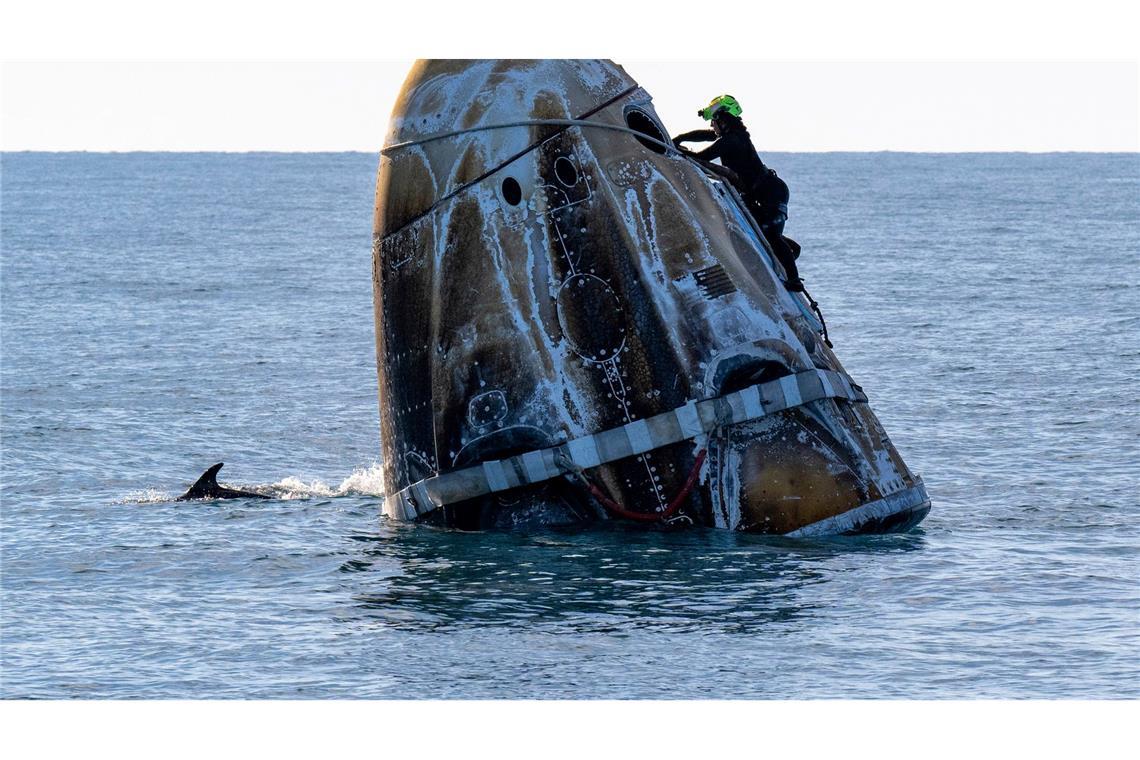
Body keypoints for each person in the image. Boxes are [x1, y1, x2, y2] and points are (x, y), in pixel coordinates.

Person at [673, 95, 804, 291]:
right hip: (759, 195)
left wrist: (678, 148)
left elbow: (704, 157)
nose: (711, 125)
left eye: (714, 121)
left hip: (773, 193)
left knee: (770, 233)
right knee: (762, 231)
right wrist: (680, 138)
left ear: (722, 121)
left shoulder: (732, 141)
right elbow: (708, 135)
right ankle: (792, 250)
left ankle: (794, 281)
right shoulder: (731, 136)